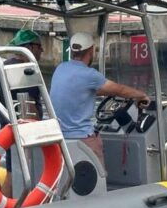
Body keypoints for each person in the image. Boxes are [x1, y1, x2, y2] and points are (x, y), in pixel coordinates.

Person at [50, 32, 150, 167]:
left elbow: (82, 90)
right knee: (98, 168)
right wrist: (141, 95)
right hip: (82, 137)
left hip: (61, 137)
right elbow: (119, 90)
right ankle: (103, 185)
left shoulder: (61, 69)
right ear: (91, 51)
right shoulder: (90, 75)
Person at [0, 29, 44, 198]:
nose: (41, 51)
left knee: (11, 172)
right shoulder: (24, 70)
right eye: (39, 47)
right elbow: (28, 104)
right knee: (20, 174)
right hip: (23, 131)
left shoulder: (6, 65)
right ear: (29, 47)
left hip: (7, 127)